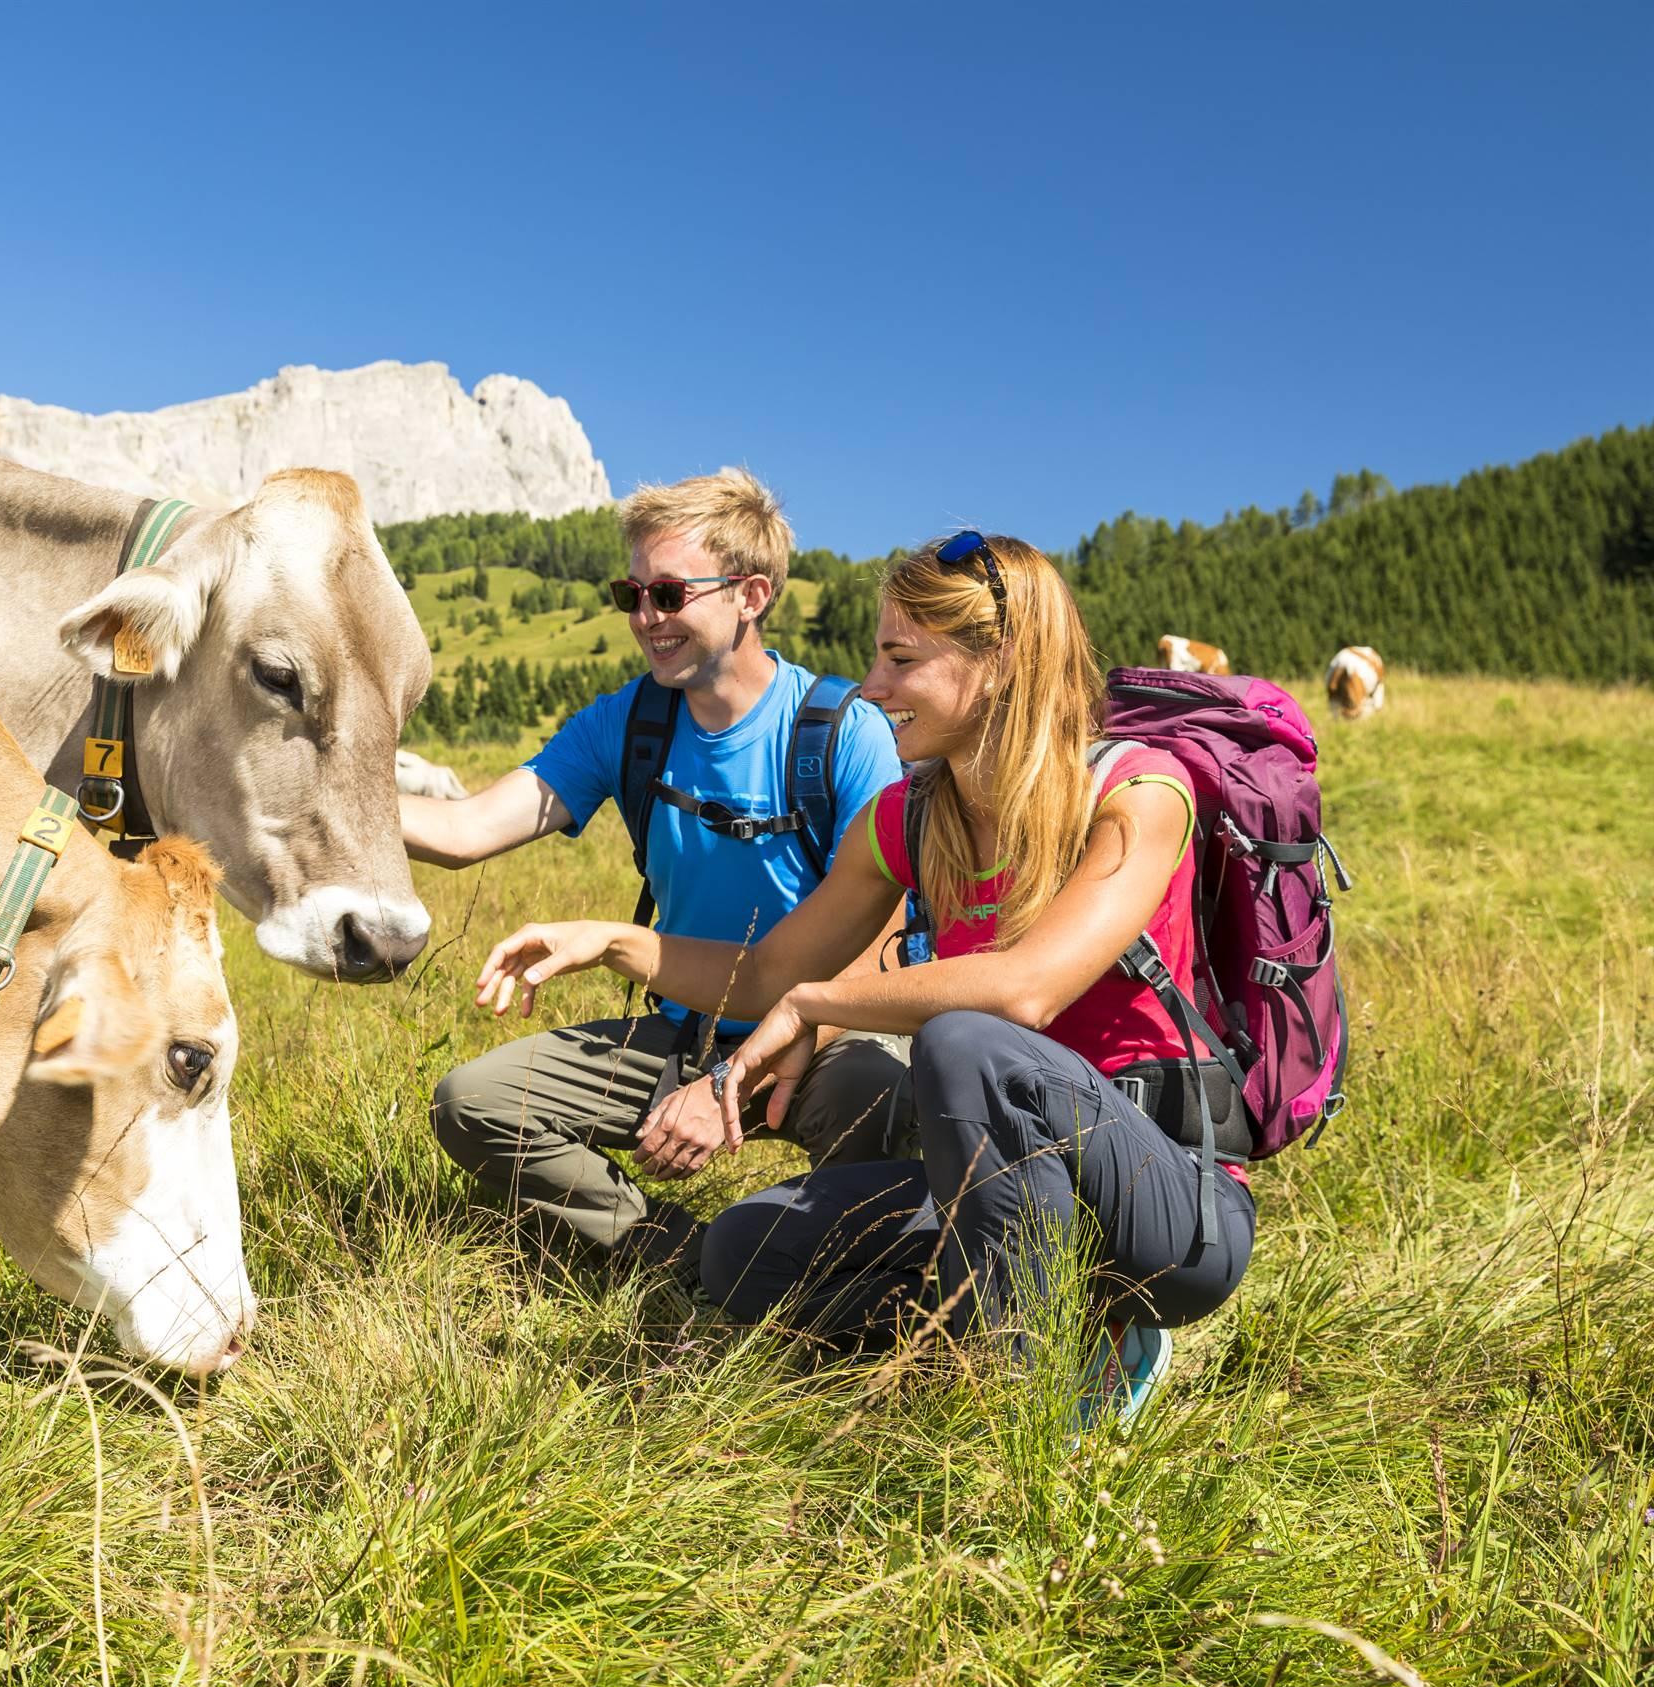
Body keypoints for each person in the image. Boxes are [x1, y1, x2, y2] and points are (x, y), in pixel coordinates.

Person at [476, 530, 1254, 1425]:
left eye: (901, 659)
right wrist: (615, 940)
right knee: (741, 1252)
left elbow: (1025, 989)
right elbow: (765, 973)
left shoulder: (1138, 792)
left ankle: (1027, 1418)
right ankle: (1040, 1332)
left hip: (1167, 1207)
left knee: (966, 1042)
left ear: (1000, 660)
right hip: (998, 1185)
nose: (873, 687)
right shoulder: (908, 816)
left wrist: (818, 1003)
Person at [405, 469, 905, 1281]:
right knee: (474, 1102)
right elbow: (465, 830)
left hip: (826, 1034)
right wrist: (311, 796)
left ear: (750, 595)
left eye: (669, 594)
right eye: (631, 594)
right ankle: (684, 1256)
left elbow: (884, 951)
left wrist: (735, 1077)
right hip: (687, 1031)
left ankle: (839, 1271)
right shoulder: (628, 724)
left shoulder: (845, 733)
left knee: (887, 1094)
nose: (645, 618)